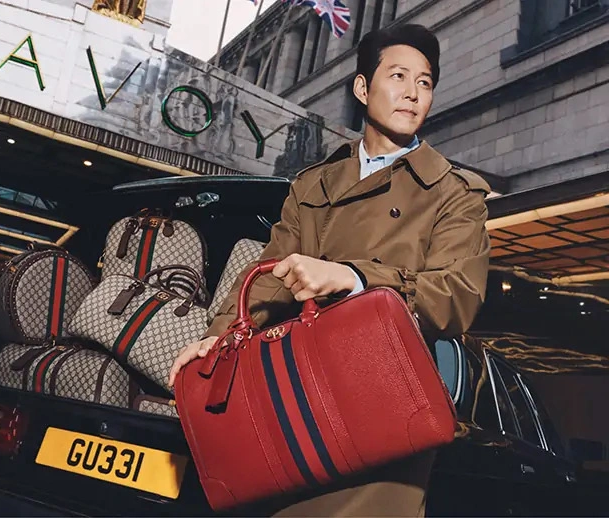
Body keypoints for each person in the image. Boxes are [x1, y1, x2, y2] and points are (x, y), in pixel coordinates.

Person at [168, 23, 491, 517]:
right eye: (398, 76)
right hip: (297, 401)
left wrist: (353, 277)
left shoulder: (454, 193)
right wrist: (218, 338)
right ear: (362, 88)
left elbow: (455, 296)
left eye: (424, 82)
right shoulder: (313, 185)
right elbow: (267, 276)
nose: (412, 93)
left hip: (384, 408)